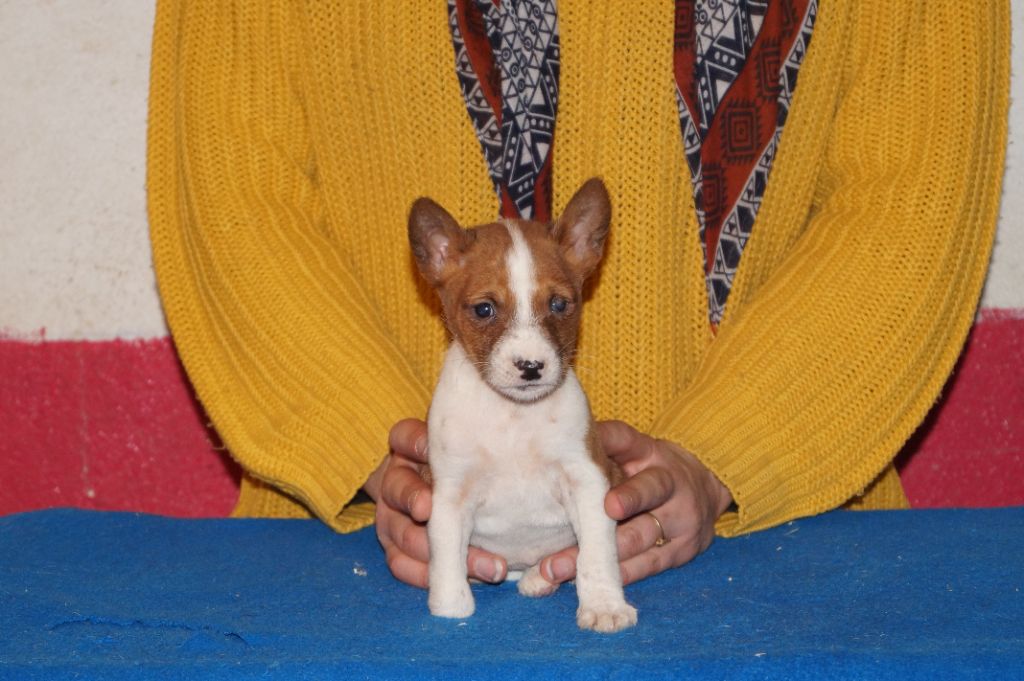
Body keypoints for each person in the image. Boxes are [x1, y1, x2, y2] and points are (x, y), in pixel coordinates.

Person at [147, 1, 1009, 590]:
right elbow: (236, 190)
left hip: (788, 557)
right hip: (352, 563)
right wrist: (386, 457)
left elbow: (909, 197)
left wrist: (726, 454)